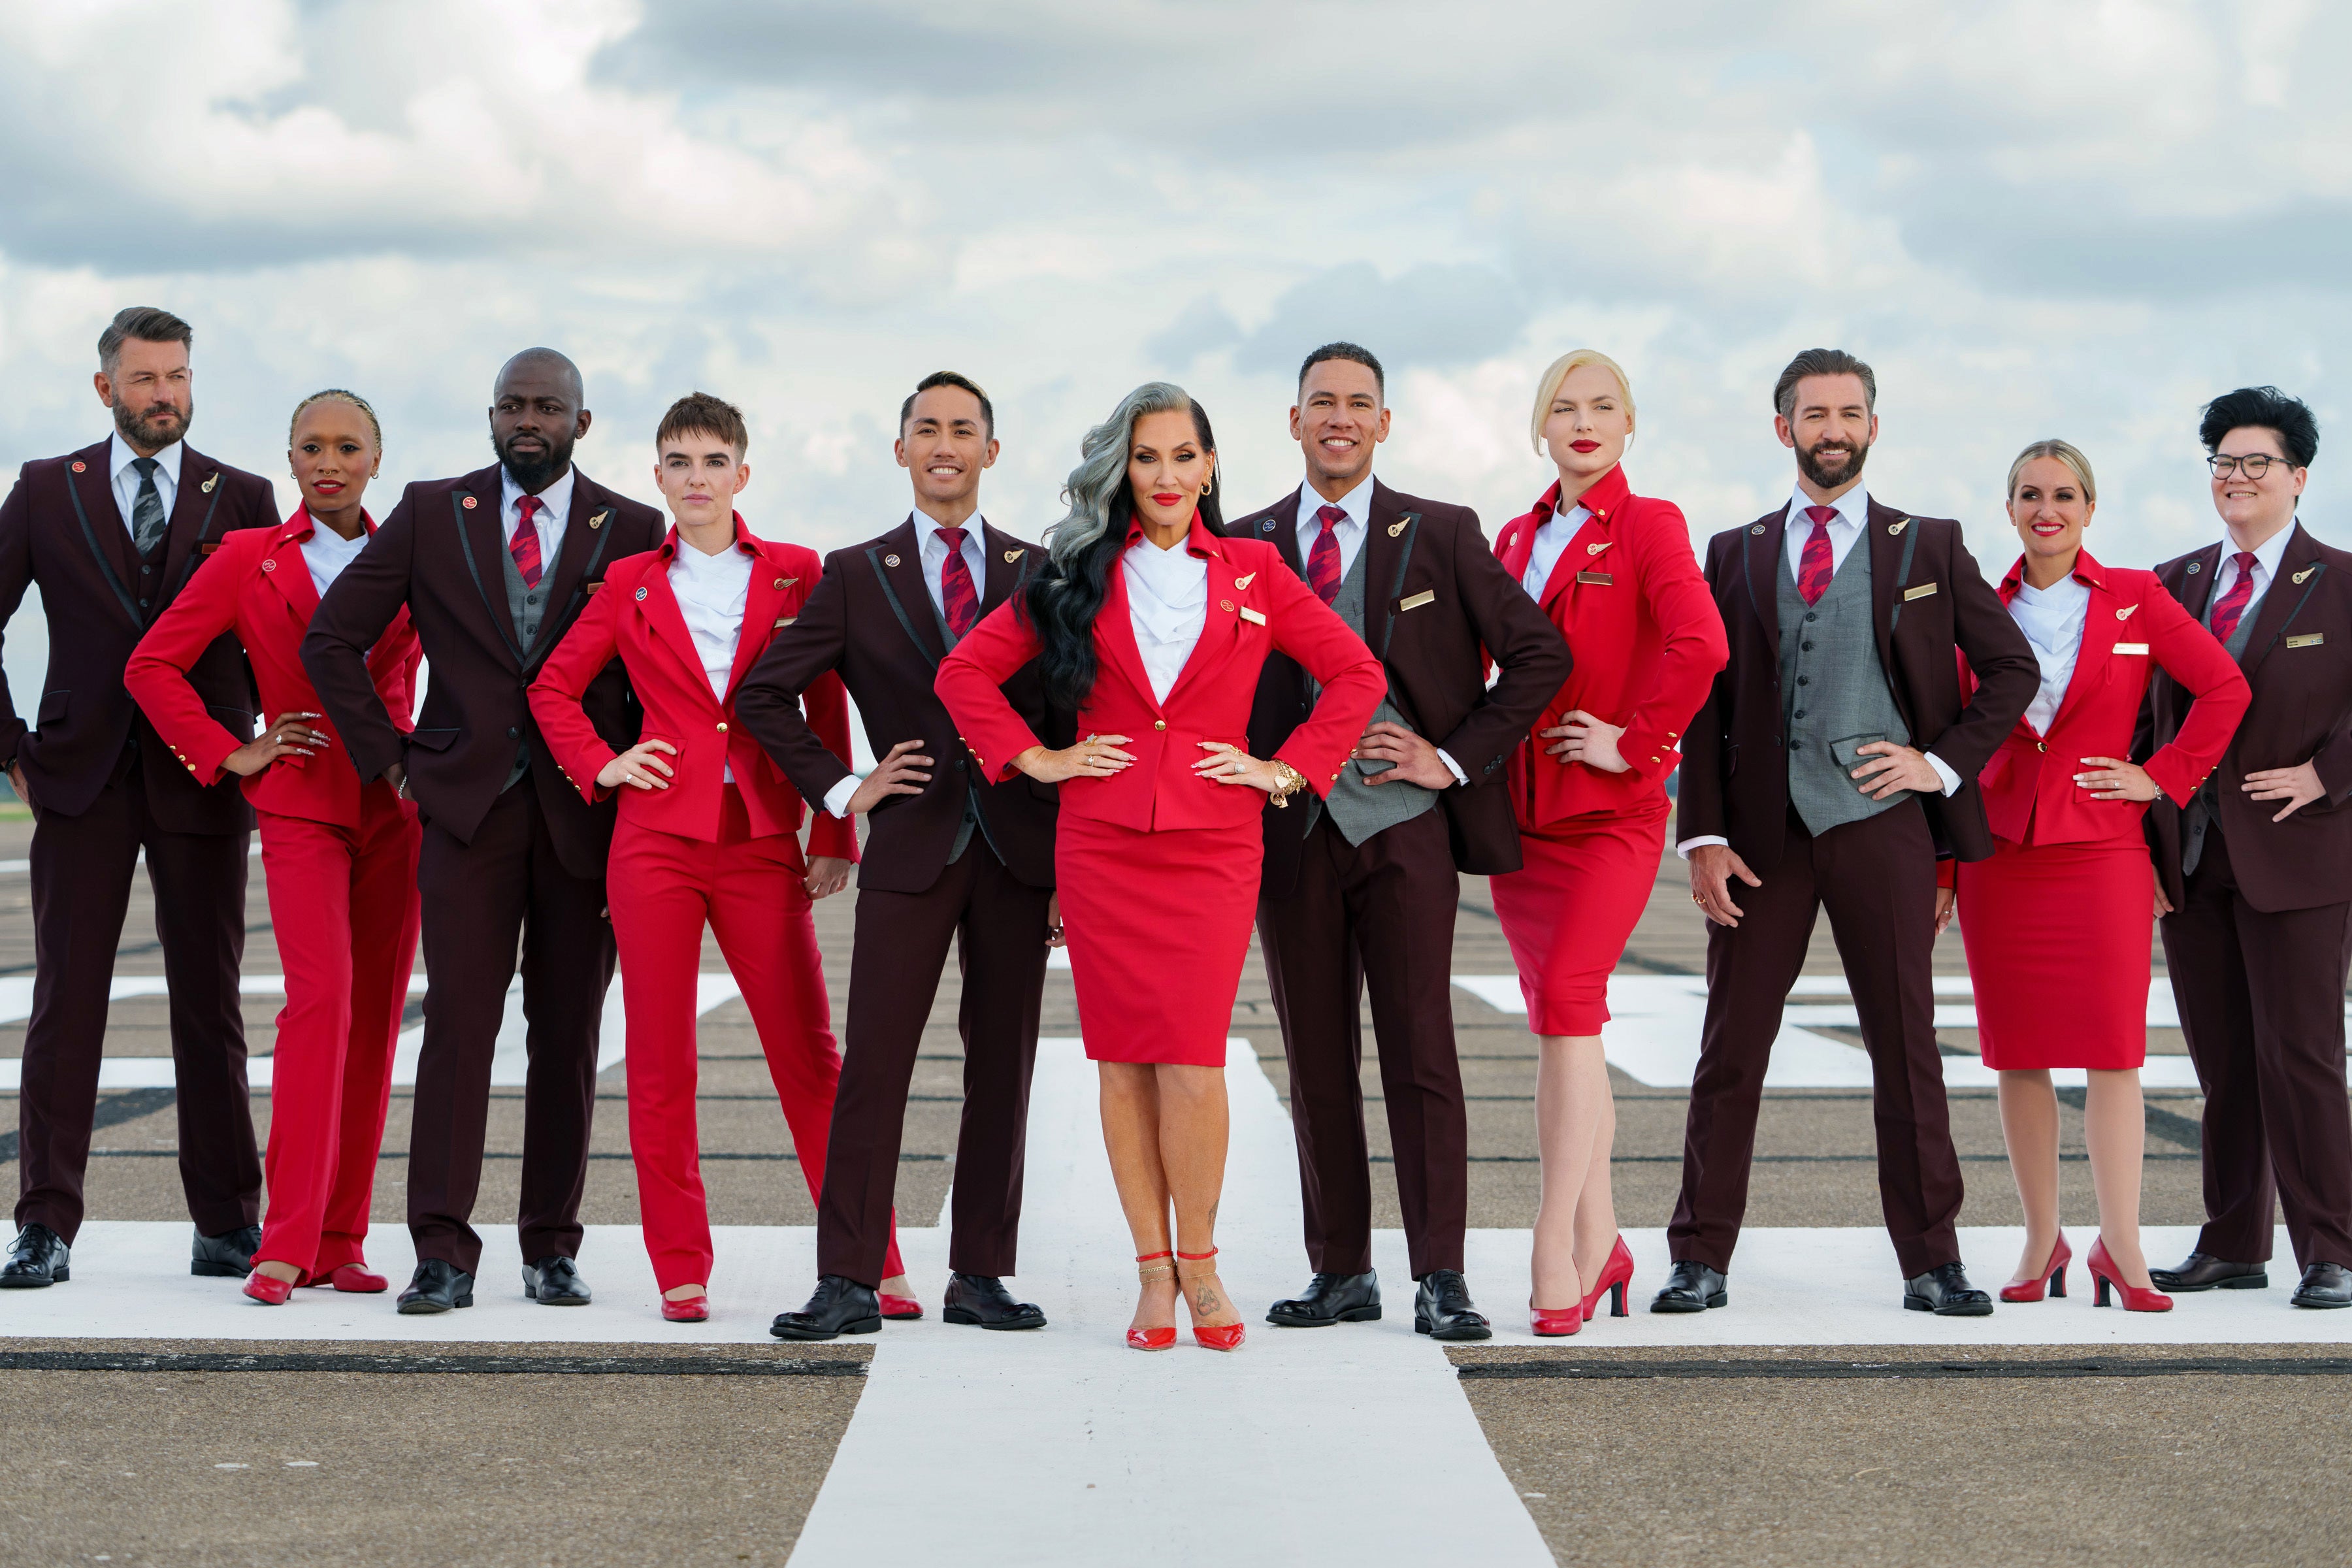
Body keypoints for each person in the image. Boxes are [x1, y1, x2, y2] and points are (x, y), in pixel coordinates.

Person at [936, 382, 1384, 1352]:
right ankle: (1151, 1271)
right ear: (1121, 472)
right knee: (1123, 1061)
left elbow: (1358, 675)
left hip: (1216, 844)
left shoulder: (1259, 571)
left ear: (1211, 466)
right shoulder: (1073, 574)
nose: (1167, 476)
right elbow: (963, 673)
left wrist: (1287, 770)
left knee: (1191, 1058)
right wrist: (1037, 758)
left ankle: (1205, 1266)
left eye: (1184, 457)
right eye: (1147, 458)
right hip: (1100, 844)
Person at [1671, 348, 2038, 1316]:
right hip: (1761, 836)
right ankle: (1699, 1255)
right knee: (1730, 1047)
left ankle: (1932, 1260)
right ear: (1782, 426)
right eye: (1813, 413)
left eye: (1849, 412)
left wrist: (1939, 764)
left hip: (1882, 826)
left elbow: (2009, 670)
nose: (1832, 428)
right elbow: (1705, 708)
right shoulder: (1734, 551)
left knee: (1905, 1046)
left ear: (1873, 426)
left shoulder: (1929, 544)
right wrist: (1701, 834)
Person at [302, 348, 663, 1315]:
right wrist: (392, 758)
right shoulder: (431, 513)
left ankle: (551, 1246)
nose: (527, 419)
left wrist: (631, 771)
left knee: (569, 1032)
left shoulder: (633, 527)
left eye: (548, 405)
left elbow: (649, 674)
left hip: (586, 814)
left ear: (583, 422)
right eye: (512, 405)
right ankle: (443, 1252)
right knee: (459, 1027)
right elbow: (330, 639)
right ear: (490, 417)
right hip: (463, 808)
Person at [1226, 343, 1567, 1343]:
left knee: (1422, 1054)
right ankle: (1339, 1270)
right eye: (1321, 402)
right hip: (1293, 830)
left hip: (1405, 831)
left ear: (1385, 424)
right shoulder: (1239, 545)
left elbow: (1542, 654)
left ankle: (1442, 1274)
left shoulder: (1445, 534)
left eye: (1359, 403)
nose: (1339, 417)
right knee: (1316, 1055)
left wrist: (1451, 758)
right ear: (1294, 423)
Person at [529, 391, 889, 1321]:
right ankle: (679, 1265)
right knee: (658, 1059)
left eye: (712, 461)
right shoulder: (628, 584)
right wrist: (605, 768)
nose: (696, 479)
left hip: (766, 841)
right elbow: (554, 692)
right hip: (654, 845)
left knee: (810, 1053)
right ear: (658, 477)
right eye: (679, 463)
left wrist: (833, 828)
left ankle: (870, 1252)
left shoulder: (798, 574)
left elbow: (822, 706)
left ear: (743, 471)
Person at [754, 372, 1064, 1342]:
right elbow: (767, 694)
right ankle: (846, 1278)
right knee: (875, 1066)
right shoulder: (855, 573)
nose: (943, 443)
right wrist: (847, 788)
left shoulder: (1040, 569)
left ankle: (980, 1273)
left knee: (1002, 1066)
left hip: (1017, 850)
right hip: (910, 847)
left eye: (962, 429)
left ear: (990, 451)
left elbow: (1062, 715)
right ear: (900, 451)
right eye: (925, 428)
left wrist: (1064, 865)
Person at [125, 389, 426, 1305]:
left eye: (348, 446)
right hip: (299, 801)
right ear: (289, 461)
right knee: (321, 1005)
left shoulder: (415, 558)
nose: (328, 461)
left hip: (397, 809)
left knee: (374, 1021)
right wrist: (230, 750)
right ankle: (285, 1239)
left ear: (377, 458)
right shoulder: (249, 558)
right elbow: (152, 665)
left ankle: (342, 1238)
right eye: (310, 447)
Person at [0, 308, 274, 1290]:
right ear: (105, 387)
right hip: (78, 776)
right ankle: (44, 1226)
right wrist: (14, 754)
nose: (166, 393)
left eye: (180, 376)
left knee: (212, 1003)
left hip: (203, 774)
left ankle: (227, 1222)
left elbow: (273, 634)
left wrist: (262, 751)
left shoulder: (243, 494)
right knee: (65, 1004)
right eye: (147, 377)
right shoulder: (43, 490)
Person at [1944, 440, 2247, 1314]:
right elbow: (1949, 732)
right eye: (2031, 495)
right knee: (2018, 1056)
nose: (2049, 510)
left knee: (2117, 1054)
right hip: (2000, 853)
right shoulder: (1978, 606)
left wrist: (2163, 775)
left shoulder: (2138, 599)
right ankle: (2044, 1240)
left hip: (2105, 850)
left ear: (2090, 508)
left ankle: (2124, 1248)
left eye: (2066, 495)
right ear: (2009, 510)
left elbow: (2225, 689)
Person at [1488, 351, 1727, 1333]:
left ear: (1630, 425)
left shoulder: (1650, 524)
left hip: (1609, 818)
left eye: (1603, 407)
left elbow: (1700, 643)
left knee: (1571, 1015)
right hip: (1521, 822)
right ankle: (1607, 1241)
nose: (1583, 423)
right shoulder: (1513, 534)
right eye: (1563, 409)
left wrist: (1638, 743)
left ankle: (1555, 1244)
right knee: (1564, 1028)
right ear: (1540, 428)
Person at [2145, 387, 2352, 1311]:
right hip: (2193, 858)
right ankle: (2234, 1241)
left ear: (2298, 478)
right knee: (2222, 1059)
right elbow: (2150, 715)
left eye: (2255, 463)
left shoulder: (2342, 582)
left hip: (2300, 856)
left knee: (2300, 1054)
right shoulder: (2173, 582)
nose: (2236, 478)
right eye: (2223, 463)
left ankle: (2333, 1250)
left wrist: (2327, 776)